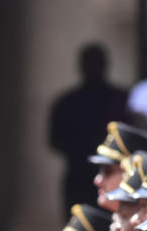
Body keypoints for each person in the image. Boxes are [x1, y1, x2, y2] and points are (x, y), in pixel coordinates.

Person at [49, 44, 129, 219]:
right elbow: (55, 141)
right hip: (78, 179)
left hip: (113, 178)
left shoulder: (120, 100)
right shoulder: (67, 103)